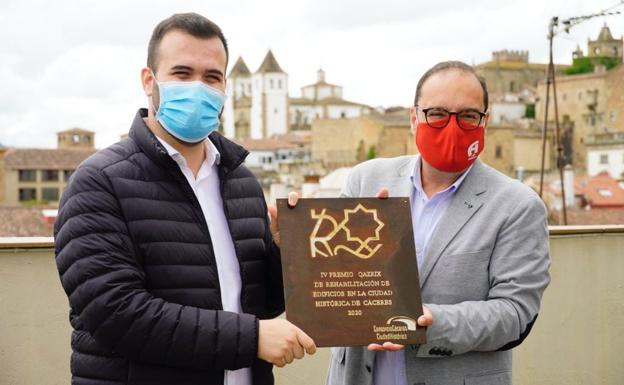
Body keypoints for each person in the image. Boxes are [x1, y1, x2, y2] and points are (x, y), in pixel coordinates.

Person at [54, 13, 315, 385]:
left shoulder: (242, 182)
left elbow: (259, 303)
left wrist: (280, 253)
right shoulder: (99, 181)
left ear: (226, 86)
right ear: (149, 81)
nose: (198, 87)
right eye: (181, 73)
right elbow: (115, 314)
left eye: (212, 77)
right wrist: (252, 338)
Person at [325, 61, 550, 385]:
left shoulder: (518, 206)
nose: (452, 127)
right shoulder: (366, 180)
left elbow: (515, 314)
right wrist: (289, 239)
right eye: (438, 114)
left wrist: (433, 324)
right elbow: (328, 273)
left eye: (468, 116)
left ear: (485, 121)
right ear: (414, 118)